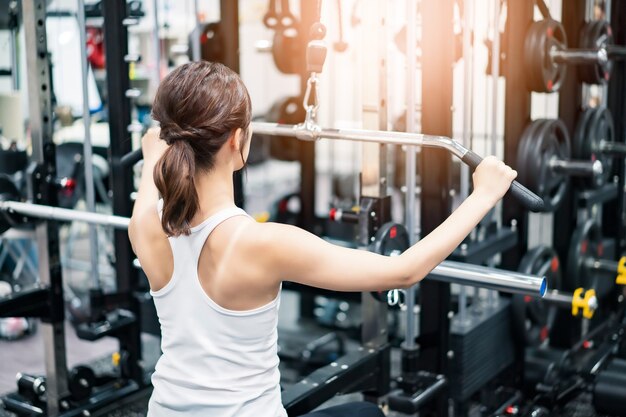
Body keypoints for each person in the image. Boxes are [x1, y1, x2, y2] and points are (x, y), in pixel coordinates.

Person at [128, 61, 517, 417]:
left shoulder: (145, 227)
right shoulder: (263, 244)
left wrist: (151, 156)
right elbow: (404, 271)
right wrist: (484, 193)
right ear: (237, 140)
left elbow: (150, 182)